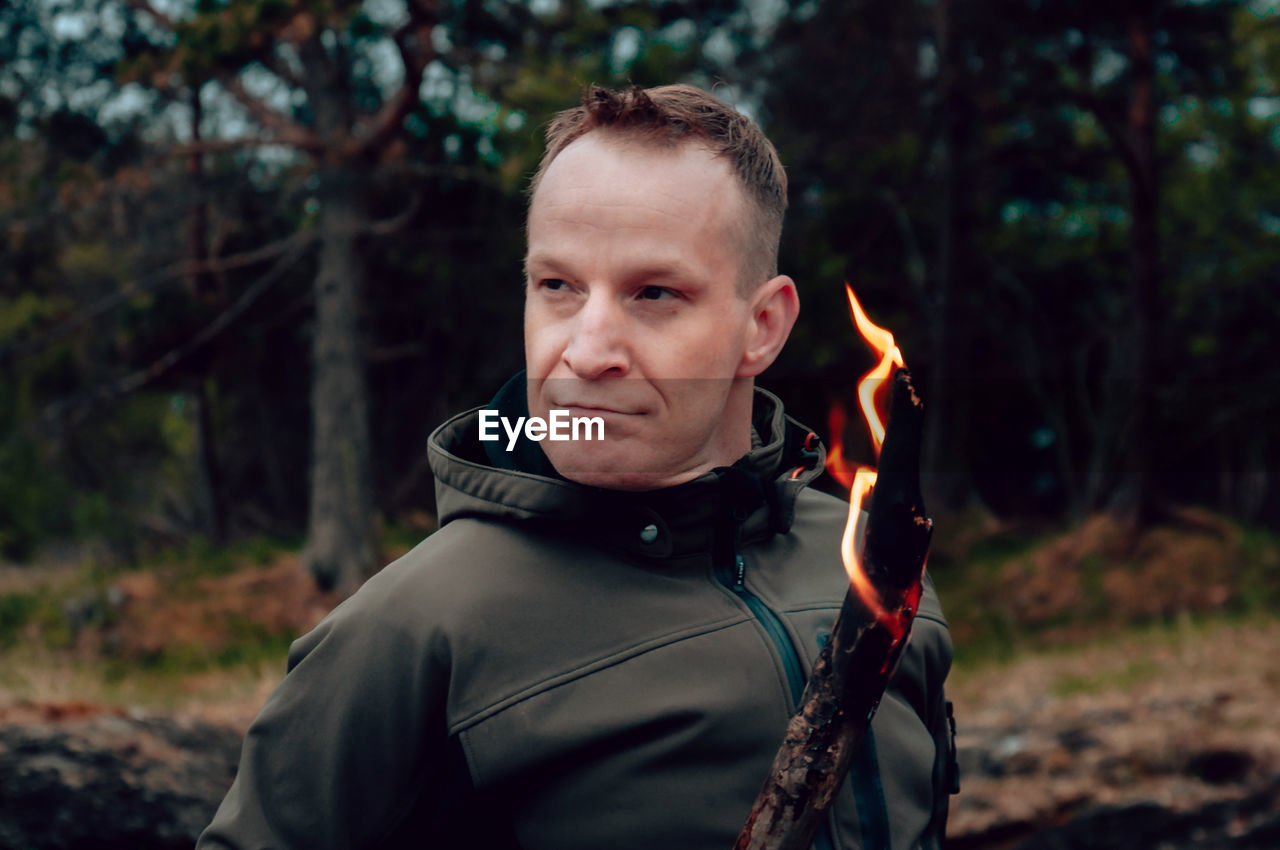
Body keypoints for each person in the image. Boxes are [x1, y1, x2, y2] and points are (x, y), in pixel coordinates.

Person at [198, 84, 955, 850]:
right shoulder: (416, 634)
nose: (586, 353)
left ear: (762, 327)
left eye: (654, 293)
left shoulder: (874, 570)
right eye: (556, 286)